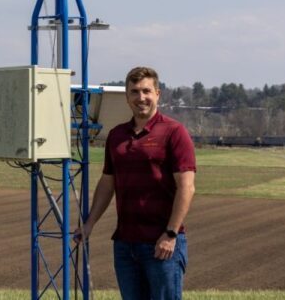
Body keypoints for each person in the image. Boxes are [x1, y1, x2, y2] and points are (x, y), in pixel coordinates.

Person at [74, 66, 196, 300]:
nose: (141, 98)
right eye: (134, 92)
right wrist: (89, 224)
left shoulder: (174, 132)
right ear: (127, 97)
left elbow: (187, 187)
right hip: (125, 245)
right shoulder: (117, 135)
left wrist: (170, 234)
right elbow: (107, 183)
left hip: (161, 243)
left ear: (157, 94)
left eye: (146, 91)